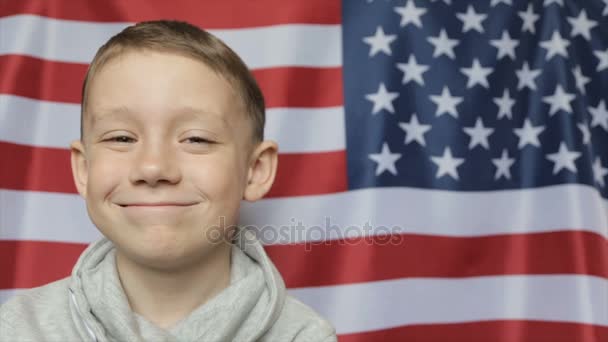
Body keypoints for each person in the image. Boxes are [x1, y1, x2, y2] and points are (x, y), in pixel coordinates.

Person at [0, 20, 337, 342]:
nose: (153, 167)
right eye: (121, 138)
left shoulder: (303, 335)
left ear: (256, 169)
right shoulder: (18, 329)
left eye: (196, 139)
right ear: (84, 169)